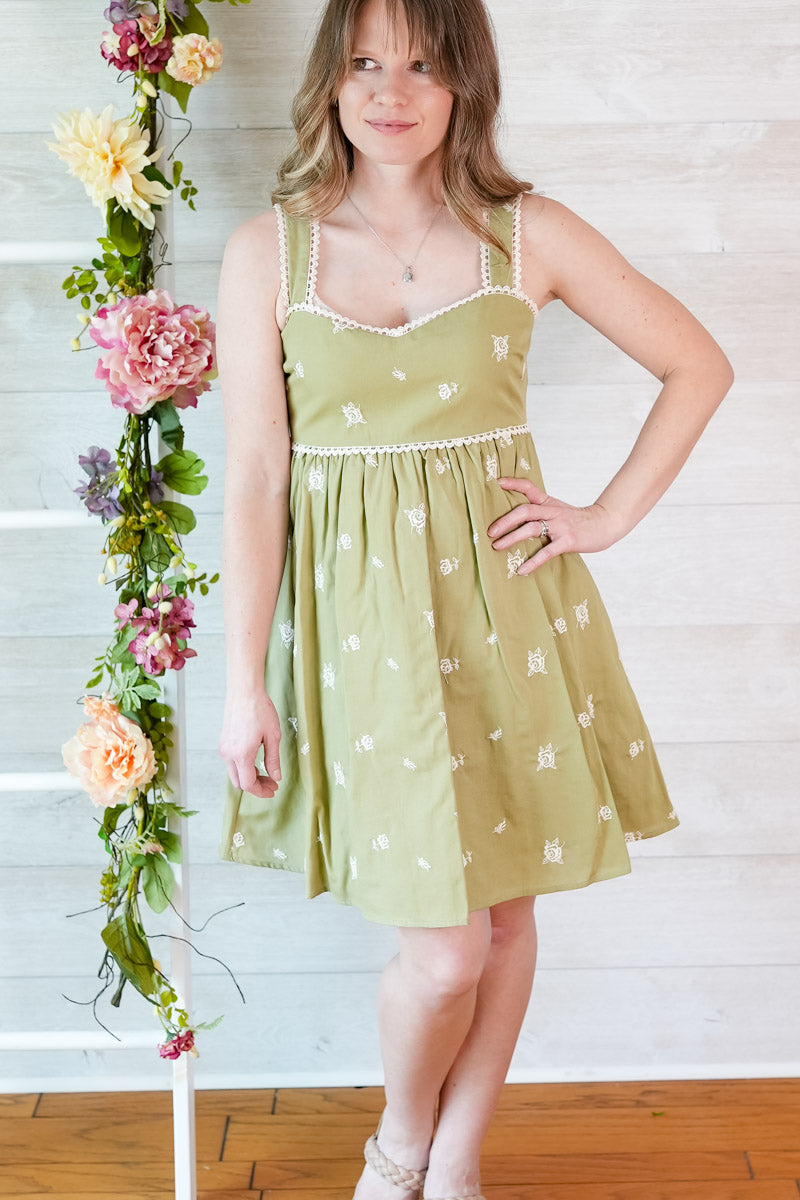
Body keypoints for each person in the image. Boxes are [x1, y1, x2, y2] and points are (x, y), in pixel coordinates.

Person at [215, 0, 734, 1195]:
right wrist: (242, 682)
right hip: (359, 638)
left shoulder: (524, 233)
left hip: (510, 617)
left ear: (463, 85)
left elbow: (695, 364)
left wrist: (604, 516)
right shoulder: (268, 254)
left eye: (420, 64)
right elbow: (253, 477)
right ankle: (397, 1141)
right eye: (363, 63)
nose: (388, 91)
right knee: (444, 950)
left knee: (502, 920)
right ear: (329, 82)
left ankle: (451, 1161)